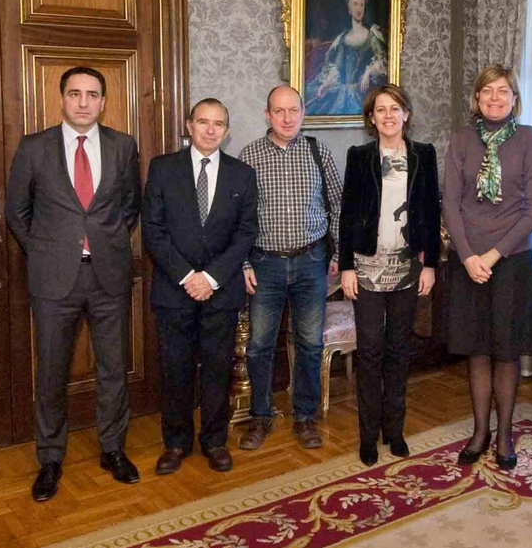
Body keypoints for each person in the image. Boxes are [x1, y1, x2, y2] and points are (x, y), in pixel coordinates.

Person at [6, 66, 141, 501]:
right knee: (51, 370)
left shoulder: (123, 146)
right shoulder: (34, 147)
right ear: (62, 98)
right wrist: (45, 250)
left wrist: (105, 242)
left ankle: (113, 449)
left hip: (108, 275)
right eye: (75, 94)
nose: (84, 102)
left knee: (113, 368)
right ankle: (50, 457)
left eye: (92, 94)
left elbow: (130, 207)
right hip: (54, 279)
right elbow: (17, 211)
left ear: (103, 102)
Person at [141, 98, 258, 475]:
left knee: (217, 369)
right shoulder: (163, 168)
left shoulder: (243, 174)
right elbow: (153, 230)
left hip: (221, 291)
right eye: (203, 122)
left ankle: (214, 441)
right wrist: (188, 276)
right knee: (175, 369)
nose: (210, 129)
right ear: (189, 126)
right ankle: (176, 443)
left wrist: (210, 278)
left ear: (227, 131)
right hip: (174, 290)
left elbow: (246, 233)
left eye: (218, 123)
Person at [442, 64, 532, 470]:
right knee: (477, 350)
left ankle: (504, 435)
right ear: (477, 98)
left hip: (511, 262)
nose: (495, 98)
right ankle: (479, 432)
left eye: (503, 91)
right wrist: (468, 256)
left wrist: (491, 255)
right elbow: (451, 203)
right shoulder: (461, 140)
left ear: (514, 97)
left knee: (506, 352)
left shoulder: (529, 139)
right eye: (487, 91)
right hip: (467, 261)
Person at [237, 85, 344, 451]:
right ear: (267, 114)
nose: (287, 118)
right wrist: (244, 262)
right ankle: (261, 417)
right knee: (259, 346)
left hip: (311, 262)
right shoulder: (250, 155)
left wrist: (337, 252)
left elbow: (337, 204)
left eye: (293, 110)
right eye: (279, 111)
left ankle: (304, 417)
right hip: (264, 265)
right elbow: (238, 217)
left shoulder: (318, 152)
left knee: (310, 344)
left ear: (303, 113)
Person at [338, 84, 440, 466]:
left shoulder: (424, 155)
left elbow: (431, 211)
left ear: (406, 114)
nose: (388, 116)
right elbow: (347, 214)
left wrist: (430, 263)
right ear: (371, 117)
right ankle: (368, 436)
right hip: (366, 267)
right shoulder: (359, 156)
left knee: (398, 350)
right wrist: (346, 266)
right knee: (369, 352)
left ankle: (394, 431)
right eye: (380, 110)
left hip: (407, 267)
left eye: (395, 108)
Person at [305, 0, 389, 116]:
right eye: (355, 4)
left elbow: (381, 60)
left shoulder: (372, 36)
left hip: (363, 90)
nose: (359, 8)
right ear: (349, 9)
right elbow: (336, 66)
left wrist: (368, 73)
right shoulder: (343, 39)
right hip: (343, 92)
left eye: (361, 5)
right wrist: (327, 83)